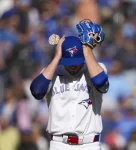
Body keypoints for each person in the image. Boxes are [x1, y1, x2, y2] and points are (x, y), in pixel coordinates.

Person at [30, 20, 109, 150]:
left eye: (76, 61)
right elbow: (37, 91)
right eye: (69, 61)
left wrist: (87, 49)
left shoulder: (96, 69)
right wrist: (56, 57)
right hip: (59, 143)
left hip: (89, 144)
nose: (73, 65)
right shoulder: (52, 72)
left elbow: (101, 83)